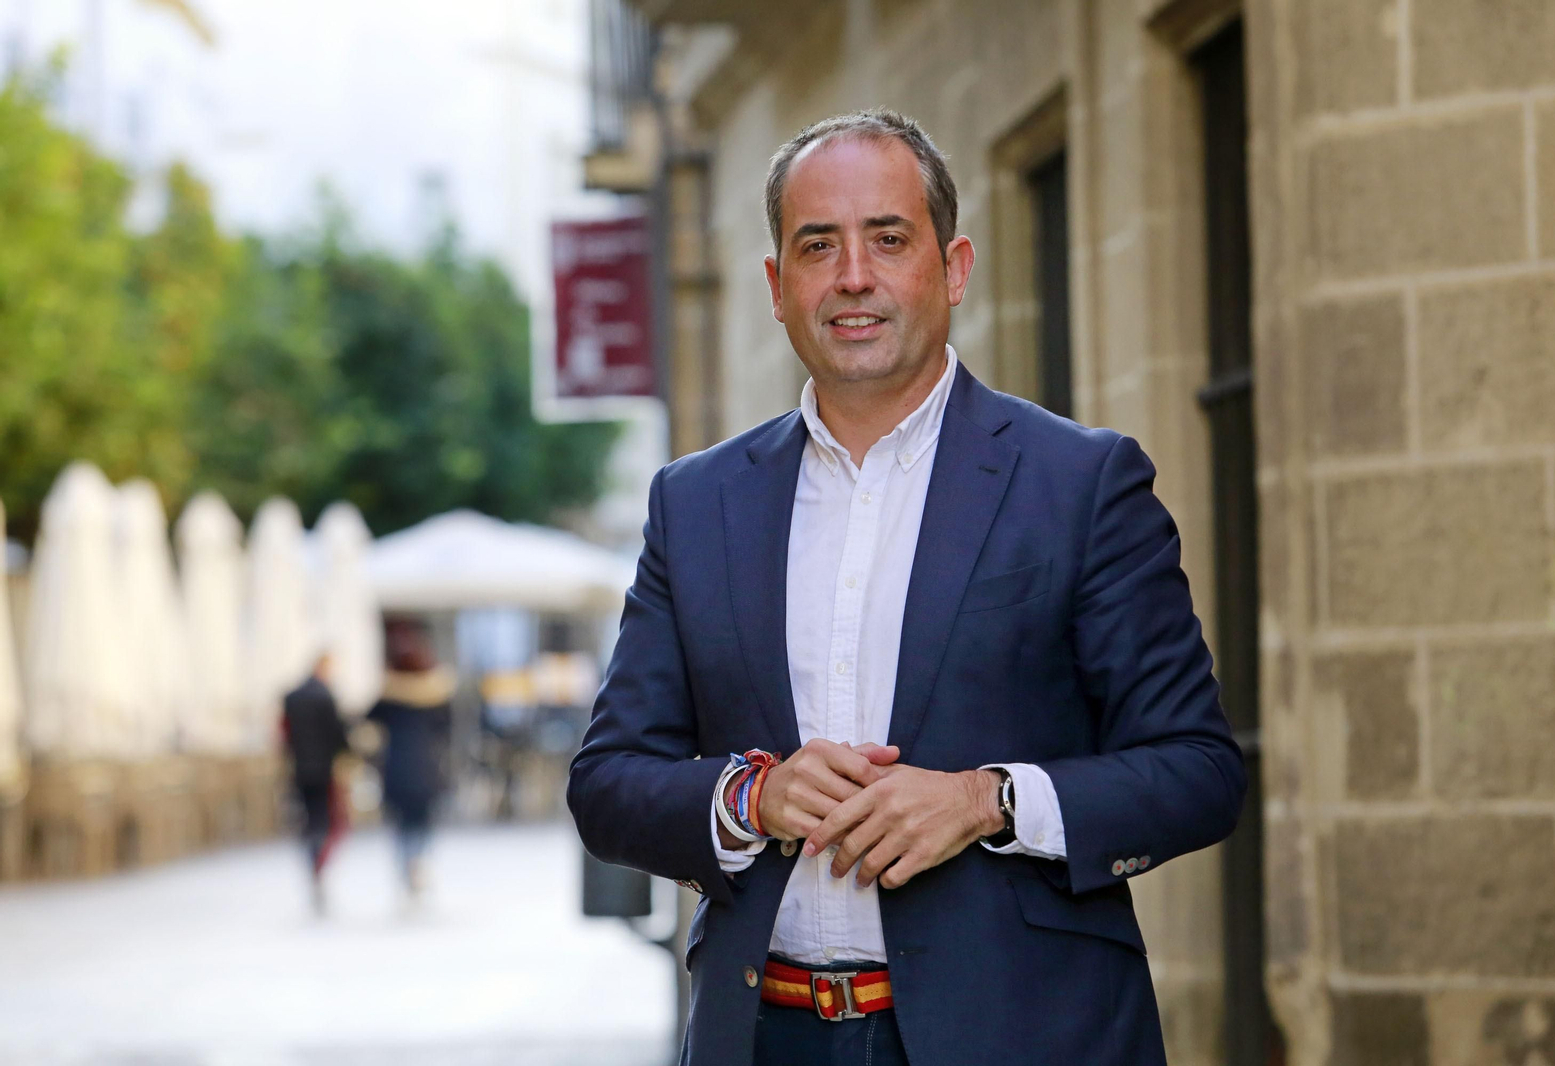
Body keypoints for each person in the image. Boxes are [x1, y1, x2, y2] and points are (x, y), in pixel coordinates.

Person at [567, 109, 1245, 1066]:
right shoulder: (696, 503)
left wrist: (985, 801)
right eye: (818, 246)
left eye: (888, 239)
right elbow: (607, 784)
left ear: (953, 268)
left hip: (1025, 1039)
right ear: (777, 286)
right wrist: (750, 800)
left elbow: (1198, 773)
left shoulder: (1080, 484)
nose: (854, 276)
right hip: (763, 1039)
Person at [368, 618, 455, 900]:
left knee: (402, 823)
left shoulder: (389, 695)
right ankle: (418, 861)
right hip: (427, 766)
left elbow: (368, 720)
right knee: (423, 820)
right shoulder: (436, 693)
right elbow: (446, 728)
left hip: (396, 766)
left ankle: (407, 865)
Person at [281, 653, 348, 914]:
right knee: (325, 819)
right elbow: (338, 735)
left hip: (299, 767)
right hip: (324, 769)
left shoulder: (292, 698)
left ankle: (313, 861)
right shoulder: (325, 697)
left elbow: (284, 734)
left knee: (309, 817)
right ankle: (318, 863)